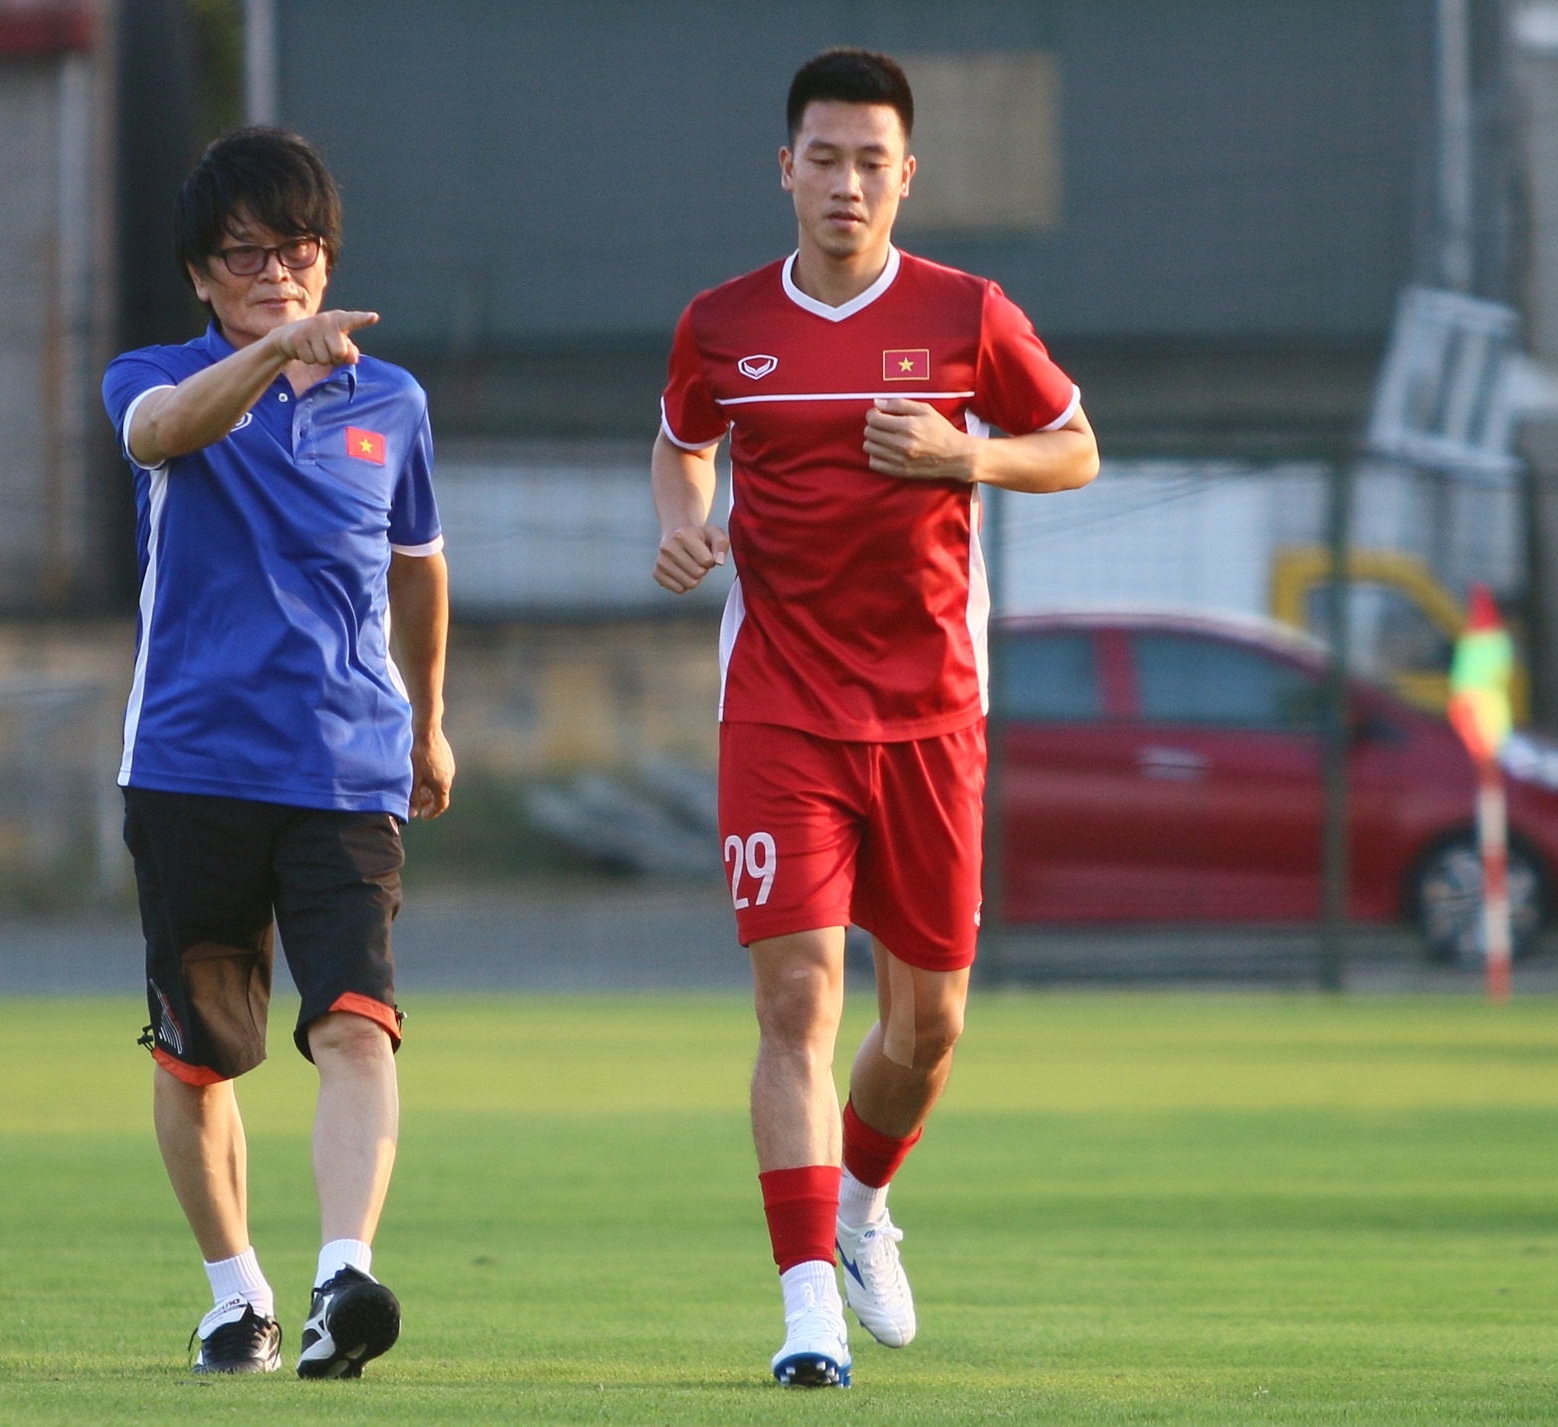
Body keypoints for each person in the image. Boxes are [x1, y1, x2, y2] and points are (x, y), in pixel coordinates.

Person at [652, 50, 1098, 1387]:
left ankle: (859, 1207)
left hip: (932, 717)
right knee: (795, 1000)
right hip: (781, 709)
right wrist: (684, 524)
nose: (846, 182)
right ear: (784, 168)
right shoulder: (722, 323)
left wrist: (969, 450)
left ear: (906, 176)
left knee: (930, 1025)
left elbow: (1075, 443)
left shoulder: (970, 313)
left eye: (871, 161)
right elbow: (684, 438)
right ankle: (805, 1315)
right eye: (823, 156)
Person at [99, 127, 452, 1379]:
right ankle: (233, 1293)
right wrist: (266, 356)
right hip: (190, 766)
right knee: (200, 1053)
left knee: (359, 1022)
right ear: (201, 274)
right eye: (245, 256)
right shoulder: (156, 373)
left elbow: (419, 566)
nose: (275, 273)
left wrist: (430, 713)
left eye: (295, 251)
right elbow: (162, 434)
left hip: (347, 771)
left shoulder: (393, 403)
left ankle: (339, 1275)